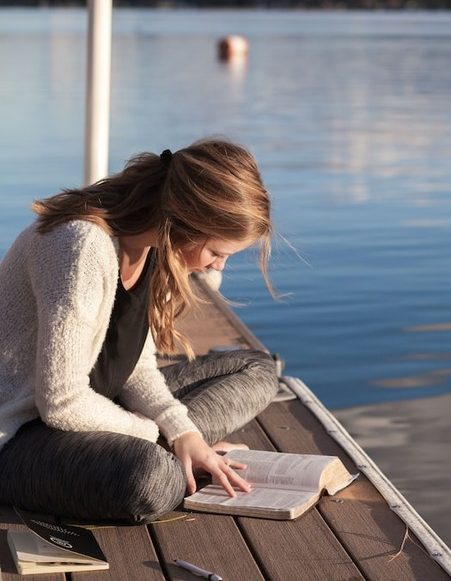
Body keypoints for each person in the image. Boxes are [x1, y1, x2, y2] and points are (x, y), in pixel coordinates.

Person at [0, 138, 279, 524]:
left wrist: (183, 433)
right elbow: (61, 402)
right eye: (216, 253)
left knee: (257, 369)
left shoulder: (152, 248)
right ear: (184, 220)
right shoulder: (80, 247)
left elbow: (136, 366)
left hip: (100, 409)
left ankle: (184, 452)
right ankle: (171, 458)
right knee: (150, 479)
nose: (218, 268)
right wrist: (154, 434)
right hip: (21, 435)